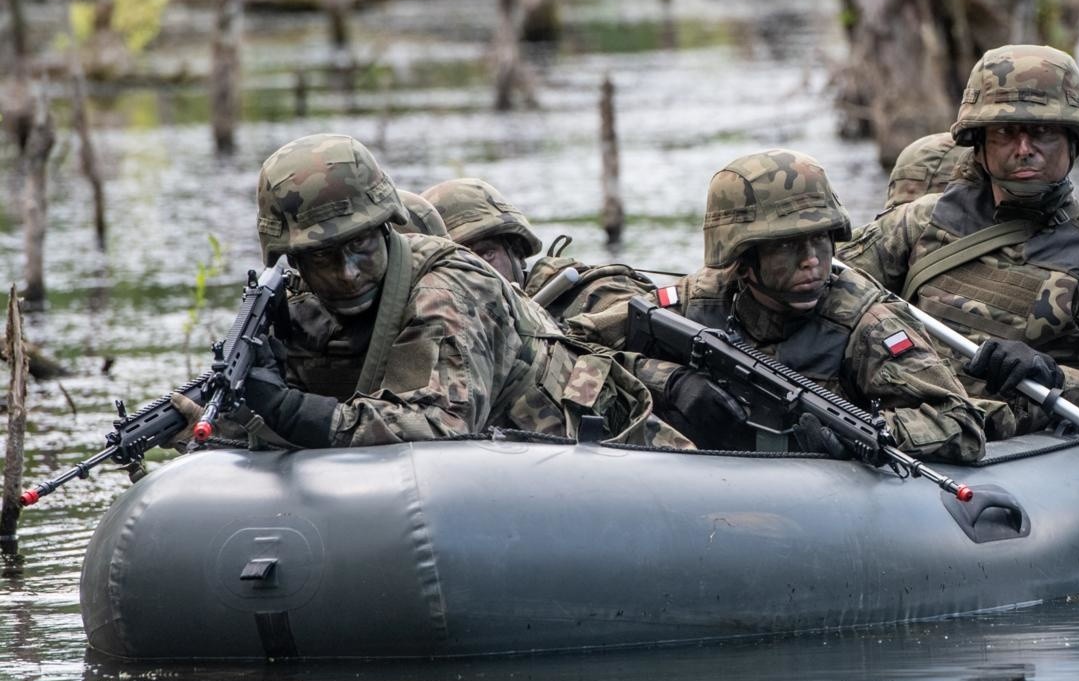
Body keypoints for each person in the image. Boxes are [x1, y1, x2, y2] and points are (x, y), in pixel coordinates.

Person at [841, 44, 1079, 450]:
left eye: (1042, 132)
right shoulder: (918, 224)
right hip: (900, 432)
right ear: (980, 143)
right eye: (1005, 133)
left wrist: (1056, 377)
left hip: (1020, 453)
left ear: (1072, 142)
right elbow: (823, 292)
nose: (1024, 149)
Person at [218, 133, 686, 449]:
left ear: (386, 229)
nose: (347, 273)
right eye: (323, 257)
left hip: (612, 464)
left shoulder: (451, 284)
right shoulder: (292, 305)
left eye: (360, 246)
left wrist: (287, 410)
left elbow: (440, 428)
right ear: (293, 258)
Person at [569, 150, 986, 462]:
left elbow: (961, 423)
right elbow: (571, 349)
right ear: (743, 258)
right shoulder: (696, 301)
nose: (812, 260)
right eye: (788, 245)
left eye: (821, 240)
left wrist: (865, 436)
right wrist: (670, 381)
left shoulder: (864, 322)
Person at [420, 177, 655, 322]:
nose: (478, 272)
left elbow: (633, 311)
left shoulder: (576, 294)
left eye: (486, 254)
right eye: (460, 264)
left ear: (515, 251)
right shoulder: (430, 332)